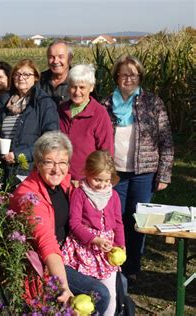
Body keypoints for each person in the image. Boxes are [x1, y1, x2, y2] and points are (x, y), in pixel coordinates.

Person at [9, 131, 110, 314]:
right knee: (100, 294)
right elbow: (46, 243)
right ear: (38, 163)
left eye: (62, 162)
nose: (57, 169)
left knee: (119, 280)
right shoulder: (29, 197)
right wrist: (63, 286)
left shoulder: (63, 182)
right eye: (49, 162)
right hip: (46, 263)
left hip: (70, 252)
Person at [101, 55, 174, 282]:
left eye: (133, 74)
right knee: (114, 219)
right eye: (124, 74)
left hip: (144, 172)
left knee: (138, 219)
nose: (128, 78)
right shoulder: (105, 105)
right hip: (115, 173)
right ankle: (114, 263)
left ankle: (132, 266)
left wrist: (164, 174)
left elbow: (166, 140)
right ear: (116, 77)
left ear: (140, 77)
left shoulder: (152, 103)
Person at [62, 150, 125, 316]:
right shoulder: (80, 194)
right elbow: (74, 224)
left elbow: (118, 223)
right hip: (84, 250)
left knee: (111, 295)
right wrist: (95, 239)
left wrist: (121, 245)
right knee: (87, 296)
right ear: (87, 173)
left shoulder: (114, 196)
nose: (102, 185)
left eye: (106, 180)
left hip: (106, 253)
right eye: (97, 179)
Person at [0, 59, 59, 182]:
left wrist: (19, 155)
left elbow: (51, 140)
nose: (21, 78)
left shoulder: (43, 103)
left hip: (29, 169)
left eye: (26, 74)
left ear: (35, 77)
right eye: (17, 74)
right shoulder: (5, 103)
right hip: (5, 169)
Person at [59, 64, 114, 181]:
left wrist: (99, 179)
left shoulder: (99, 114)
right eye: (73, 87)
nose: (77, 92)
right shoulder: (61, 110)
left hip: (86, 180)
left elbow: (106, 151)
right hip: (60, 177)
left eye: (82, 87)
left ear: (91, 88)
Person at [40, 40, 72, 105]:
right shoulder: (39, 80)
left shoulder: (79, 80)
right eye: (51, 57)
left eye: (61, 57)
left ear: (70, 59)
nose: (55, 61)